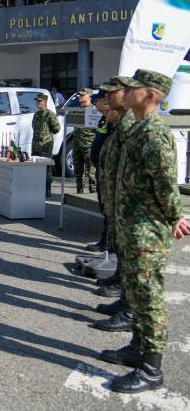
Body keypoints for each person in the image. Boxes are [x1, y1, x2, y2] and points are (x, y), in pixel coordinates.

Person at [100, 69, 189, 394]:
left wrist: (175, 217)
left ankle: (151, 369)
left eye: (135, 87)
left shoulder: (153, 132)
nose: (128, 91)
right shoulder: (138, 128)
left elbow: (166, 184)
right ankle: (138, 347)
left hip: (147, 230)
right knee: (137, 293)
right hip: (132, 225)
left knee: (149, 297)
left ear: (150, 95)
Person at [92, 78, 134, 332]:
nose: (104, 100)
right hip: (116, 200)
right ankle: (124, 302)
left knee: (135, 267)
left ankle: (129, 312)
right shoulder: (117, 123)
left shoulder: (132, 126)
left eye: (111, 94)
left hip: (129, 208)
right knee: (124, 257)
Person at [86, 90, 113, 253]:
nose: (95, 105)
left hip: (109, 172)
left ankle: (110, 244)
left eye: (97, 102)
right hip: (101, 170)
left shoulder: (115, 120)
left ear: (105, 100)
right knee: (104, 207)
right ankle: (106, 240)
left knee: (110, 208)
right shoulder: (105, 119)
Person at [30, 94, 60, 197]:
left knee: (47, 168)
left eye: (40, 101)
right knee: (34, 167)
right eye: (37, 101)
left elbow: (56, 129)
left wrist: (46, 135)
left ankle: (47, 188)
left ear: (45, 102)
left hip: (46, 145)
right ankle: (36, 187)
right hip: (35, 145)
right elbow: (33, 126)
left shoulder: (50, 115)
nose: (38, 103)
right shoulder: (36, 115)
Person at [73, 88, 97, 193]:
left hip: (89, 145)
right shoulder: (76, 110)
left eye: (83, 95)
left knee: (91, 172)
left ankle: (93, 193)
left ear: (89, 96)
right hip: (77, 145)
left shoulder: (95, 111)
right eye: (79, 95)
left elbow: (100, 129)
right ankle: (79, 191)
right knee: (78, 171)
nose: (80, 97)